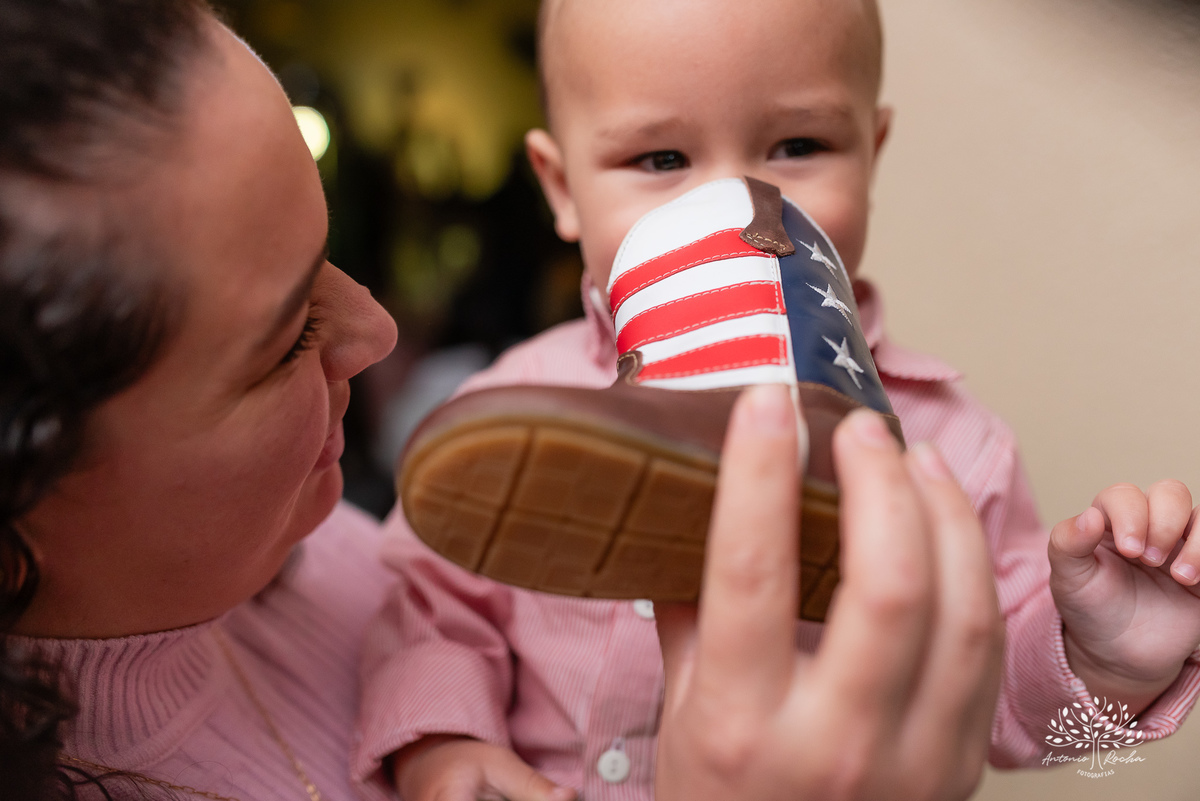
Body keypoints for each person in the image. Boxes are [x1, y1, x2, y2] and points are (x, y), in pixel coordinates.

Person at [0, 1, 1011, 800]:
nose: (379, 331)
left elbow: (1047, 709)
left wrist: (1117, 675)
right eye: (285, 339)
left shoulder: (343, 551)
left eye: (330, 257)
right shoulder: (520, 411)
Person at [354, 0, 1200, 798]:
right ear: (563, 186)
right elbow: (427, 606)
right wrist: (443, 743)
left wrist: (1109, 665)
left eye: (796, 145)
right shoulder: (521, 409)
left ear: (872, 152)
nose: (736, 207)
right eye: (661, 160)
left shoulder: (953, 451)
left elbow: (1003, 714)